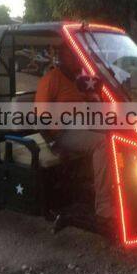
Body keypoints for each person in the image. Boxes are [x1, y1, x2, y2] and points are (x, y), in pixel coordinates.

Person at [35, 45, 114, 220]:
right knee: (103, 143)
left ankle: (117, 188)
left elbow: (82, 102)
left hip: (80, 125)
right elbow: (40, 116)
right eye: (74, 56)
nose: (78, 60)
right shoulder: (51, 79)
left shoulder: (75, 81)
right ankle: (104, 205)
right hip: (61, 133)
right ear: (63, 56)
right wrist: (52, 142)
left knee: (115, 133)